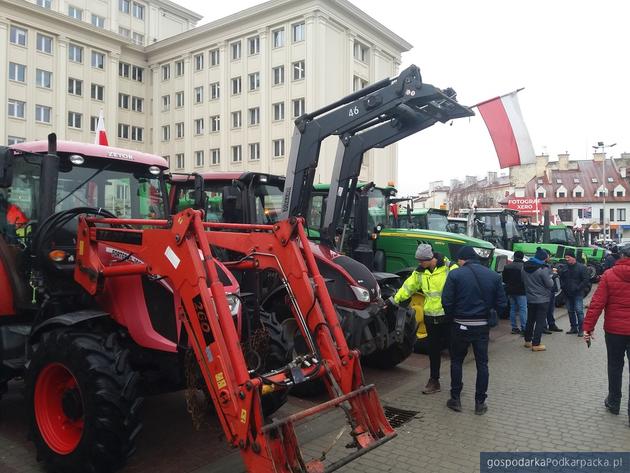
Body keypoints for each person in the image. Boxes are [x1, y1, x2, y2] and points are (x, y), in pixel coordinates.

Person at [442, 246, 506, 415]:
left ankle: (455, 399)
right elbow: (502, 303)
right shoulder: (493, 276)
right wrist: (491, 316)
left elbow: (446, 301)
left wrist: (452, 318)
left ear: (462, 259)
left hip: (460, 324)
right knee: (482, 364)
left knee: (456, 361)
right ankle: (480, 403)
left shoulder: (455, 274)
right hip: (482, 326)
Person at [393, 243, 456, 395]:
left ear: (430, 258)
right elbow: (408, 287)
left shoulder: (450, 268)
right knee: (433, 351)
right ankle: (434, 381)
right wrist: (393, 300)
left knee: (454, 351)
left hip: (447, 318)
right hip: (430, 318)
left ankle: (456, 385)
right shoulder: (420, 272)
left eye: (421, 261)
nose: (419, 263)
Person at [583, 245, 630, 427]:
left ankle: (614, 402)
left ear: (621, 256)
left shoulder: (610, 275)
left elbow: (597, 304)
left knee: (615, 366)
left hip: (615, 331)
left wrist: (588, 328)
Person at [522, 247, 555, 352]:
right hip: (542, 299)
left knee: (530, 320)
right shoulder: (543, 269)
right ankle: (536, 344)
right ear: (543, 258)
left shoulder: (524, 267)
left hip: (530, 297)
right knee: (540, 321)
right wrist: (552, 276)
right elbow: (550, 284)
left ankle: (527, 340)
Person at [558, 249, 590, 337]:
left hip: (578, 293)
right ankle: (573, 328)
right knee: (570, 311)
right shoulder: (565, 267)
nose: (567, 259)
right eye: (566, 258)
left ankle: (581, 329)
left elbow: (586, 280)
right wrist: (563, 286)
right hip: (567, 293)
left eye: (568, 257)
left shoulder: (582, 267)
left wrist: (578, 288)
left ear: (573, 258)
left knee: (579, 311)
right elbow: (562, 278)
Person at [502, 250, 527, 335]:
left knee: (512, 308)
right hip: (522, 291)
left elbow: (504, 279)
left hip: (510, 291)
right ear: (522, 257)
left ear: (514, 256)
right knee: (523, 309)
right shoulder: (524, 266)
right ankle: (524, 328)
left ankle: (514, 328)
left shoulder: (507, 266)